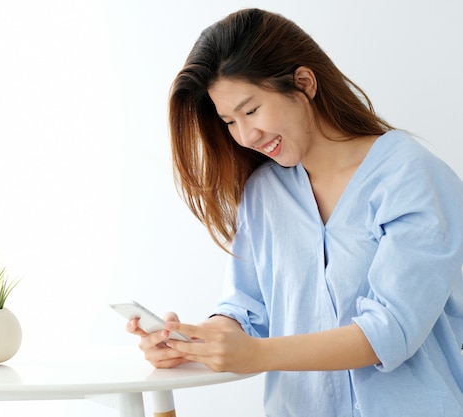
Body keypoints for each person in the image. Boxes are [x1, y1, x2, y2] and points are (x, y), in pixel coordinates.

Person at [126, 8, 463, 417]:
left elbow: (390, 331)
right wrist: (193, 340)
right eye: (230, 121)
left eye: (251, 110)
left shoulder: (412, 176)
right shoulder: (265, 192)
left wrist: (257, 354)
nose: (246, 136)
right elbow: (247, 310)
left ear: (303, 83)